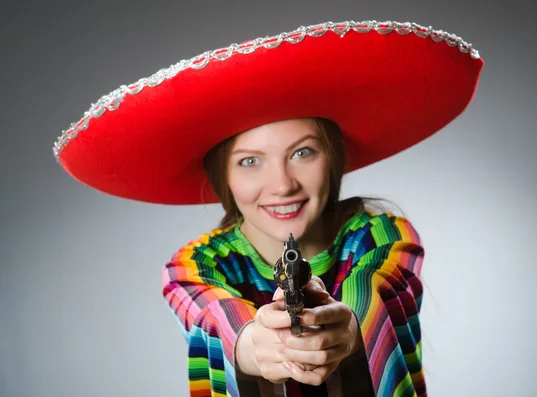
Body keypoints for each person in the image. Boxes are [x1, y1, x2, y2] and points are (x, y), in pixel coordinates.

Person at [53, 20, 483, 397]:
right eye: (249, 161)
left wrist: (345, 326)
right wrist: (257, 342)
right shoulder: (193, 265)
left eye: (303, 153)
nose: (282, 185)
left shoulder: (383, 236)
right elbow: (214, 318)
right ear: (223, 176)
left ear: (332, 157)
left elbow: (376, 290)